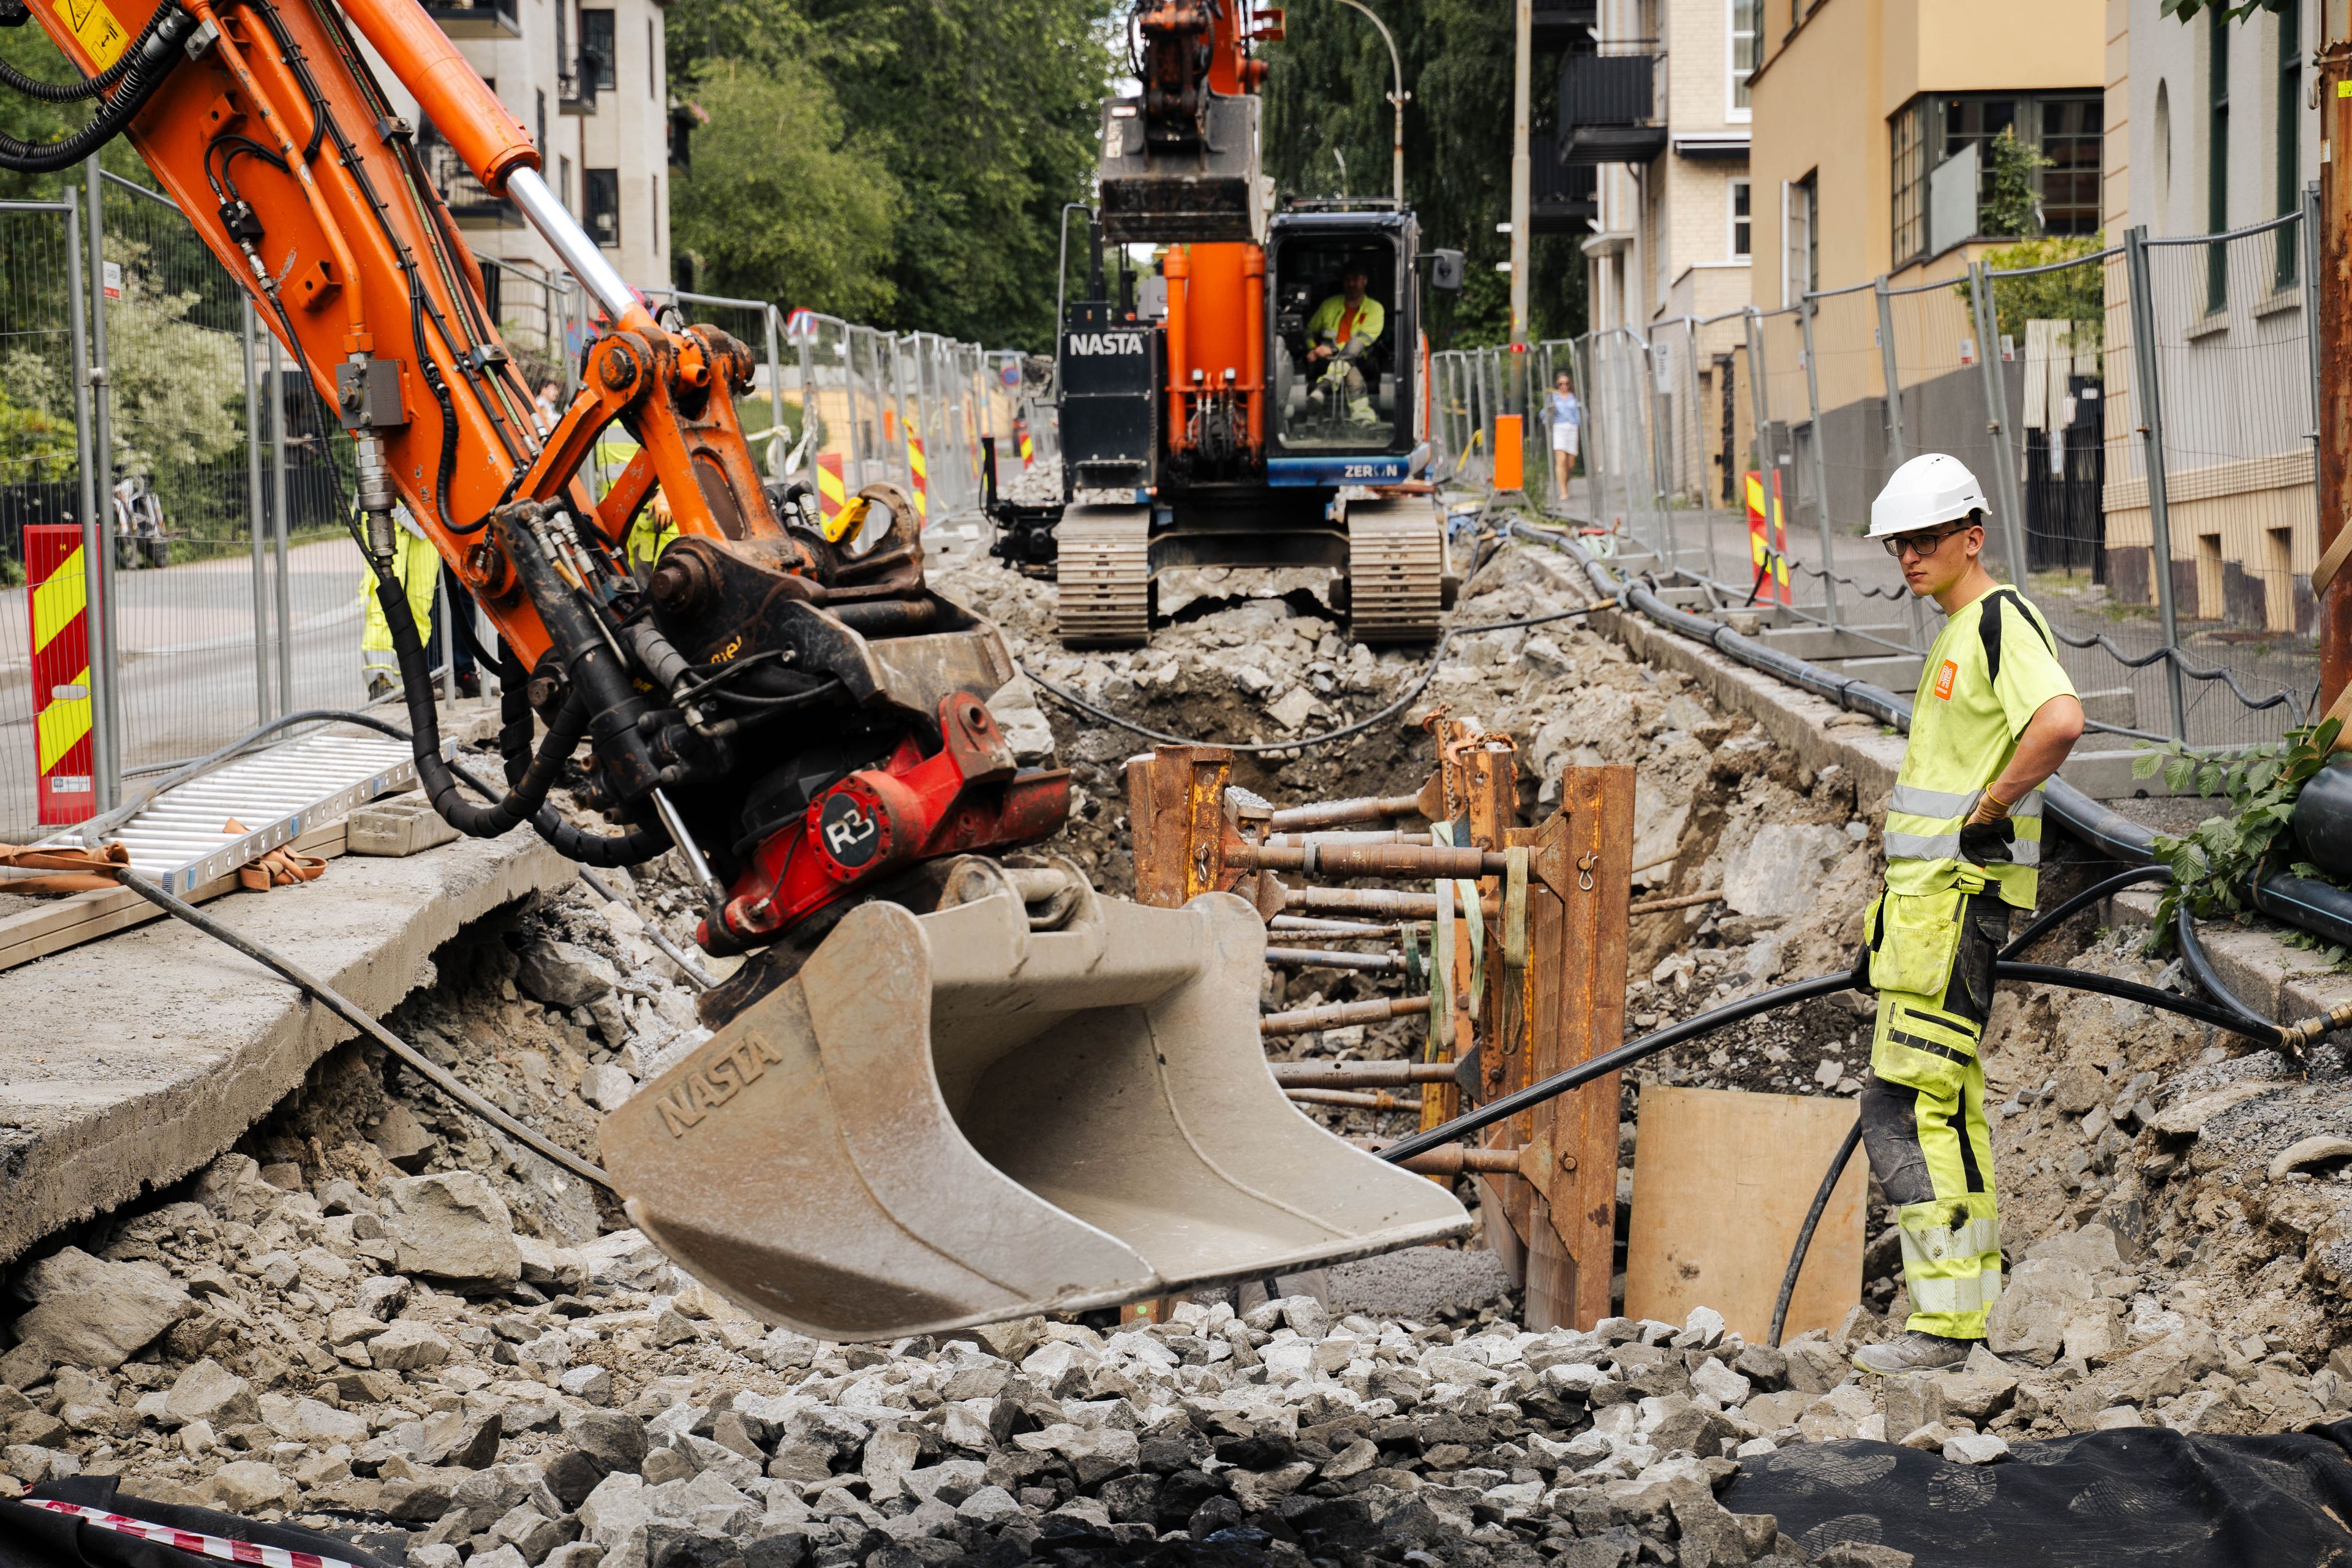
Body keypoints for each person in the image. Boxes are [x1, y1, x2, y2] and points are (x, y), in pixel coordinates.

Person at [1852, 453, 2085, 1376]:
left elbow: (2060, 721)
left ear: (1971, 538)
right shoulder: (1958, 629)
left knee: (1904, 1110)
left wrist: (1988, 814)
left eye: (1924, 539)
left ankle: (1943, 1331)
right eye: (1898, 543)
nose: (1907, 556)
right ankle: (1966, 1312)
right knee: (1947, 1110)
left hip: (1953, 913)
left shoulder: (1995, 619)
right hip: (1925, 918)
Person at [1304, 264, 1385, 424]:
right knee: (1348, 369)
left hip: (1363, 360)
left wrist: (1333, 350)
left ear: (1365, 281)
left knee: (1352, 351)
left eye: (1355, 279)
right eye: (1347, 280)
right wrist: (1312, 349)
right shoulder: (1329, 305)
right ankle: (1364, 417)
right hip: (1325, 362)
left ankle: (1323, 387)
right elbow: (1309, 331)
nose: (1351, 284)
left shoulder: (1375, 309)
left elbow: (1361, 342)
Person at [1545, 371, 1581, 494]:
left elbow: (1581, 413)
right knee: (1561, 459)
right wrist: (1550, 408)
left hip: (1572, 428)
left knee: (1570, 463)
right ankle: (1563, 490)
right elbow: (1543, 414)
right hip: (1559, 428)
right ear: (1557, 385)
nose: (1564, 386)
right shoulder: (1553, 397)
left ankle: (1565, 483)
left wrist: (1580, 424)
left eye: (1566, 384)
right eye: (1561, 384)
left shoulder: (1574, 397)